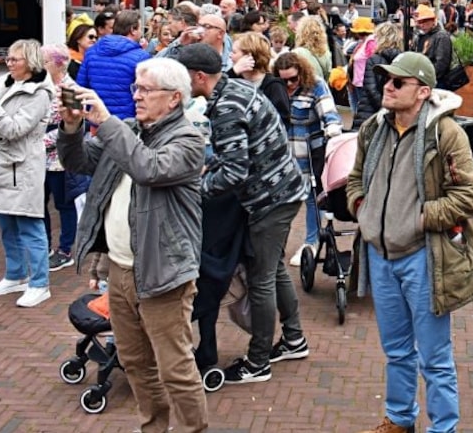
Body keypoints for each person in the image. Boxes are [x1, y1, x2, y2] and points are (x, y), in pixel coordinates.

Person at [58, 57, 208, 432]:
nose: (136, 96)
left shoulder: (188, 139)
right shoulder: (127, 130)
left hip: (164, 274)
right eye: (134, 89)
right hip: (121, 271)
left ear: (174, 99)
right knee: (136, 363)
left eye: (145, 90)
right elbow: (76, 160)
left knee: (175, 368)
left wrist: (106, 123)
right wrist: (73, 125)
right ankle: (153, 427)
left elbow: (148, 168)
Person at [346, 52, 473, 433]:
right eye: (386, 80)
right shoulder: (374, 128)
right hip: (381, 255)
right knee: (396, 351)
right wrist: (364, 210)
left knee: (435, 356)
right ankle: (399, 418)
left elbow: (471, 195)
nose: (386, 87)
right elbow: (356, 178)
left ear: (423, 91)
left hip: (424, 257)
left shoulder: (446, 134)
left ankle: (443, 428)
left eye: (397, 82)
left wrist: (420, 218)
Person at [176, 43, 309, 384]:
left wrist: (196, 190)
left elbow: (235, 172)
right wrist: (211, 167)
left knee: (261, 277)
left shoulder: (225, 108)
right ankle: (294, 340)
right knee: (274, 269)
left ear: (199, 77)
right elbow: (238, 155)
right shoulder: (235, 89)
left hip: (270, 199)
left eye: (181, 76)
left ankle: (258, 362)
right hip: (283, 190)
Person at [0, 39, 55, 308]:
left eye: (14, 59)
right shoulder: (10, 84)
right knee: (7, 226)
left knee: (30, 227)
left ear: (30, 62)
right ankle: (16, 274)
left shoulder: (39, 94)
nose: (9, 63)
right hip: (4, 166)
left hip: (22, 168)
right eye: (7, 58)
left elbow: (14, 129)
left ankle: (40, 284)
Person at [272, 51, 342, 265]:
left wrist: (332, 126)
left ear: (301, 72)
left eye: (294, 78)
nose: (290, 84)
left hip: (310, 152)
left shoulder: (316, 84)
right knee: (280, 199)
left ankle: (310, 241)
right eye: (285, 80)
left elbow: (329, 110)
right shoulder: (275, 88)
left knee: (313, 197)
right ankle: (277, 245)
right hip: (282, 153)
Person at [41, 44, 83, 272]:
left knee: (64, 204)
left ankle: (65, 250)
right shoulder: (41, 87)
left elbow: (73, 125)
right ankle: (44, 245)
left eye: (44, 62)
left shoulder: (70, 89)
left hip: (60, 159)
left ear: (57, 64)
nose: (40, 66)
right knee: (39, 204)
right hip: (41, 159)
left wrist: (42, 143)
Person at [77, 10, 152, 120]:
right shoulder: (141, 57)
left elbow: (81, 87)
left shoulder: (91, 52)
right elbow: (147, 95)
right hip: (127, 124)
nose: (142, 33)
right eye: (141, 28)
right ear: (133, 30)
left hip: (96, 120)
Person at [229, 31, 291, 126]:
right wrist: (233, 72)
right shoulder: (233, 80)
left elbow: (282, 121)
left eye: (234, 52)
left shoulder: (274, 87)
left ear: (248, 56)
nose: (230, 55)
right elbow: (215, 94)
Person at [356, 22, 402, 127]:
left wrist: (383, 107)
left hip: (369, 112)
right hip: (393, 112)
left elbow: (370, 89)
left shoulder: (373, 59)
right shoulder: (401, 60)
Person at [414, 4, 454, 87]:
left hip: (435, 81)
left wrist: (427, 78)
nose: (421, 25)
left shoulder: (441, 36)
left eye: (424, 21)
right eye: (419, 22)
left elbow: (441, 64)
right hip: (425, 78)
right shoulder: (422, 35)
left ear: (433, 21)